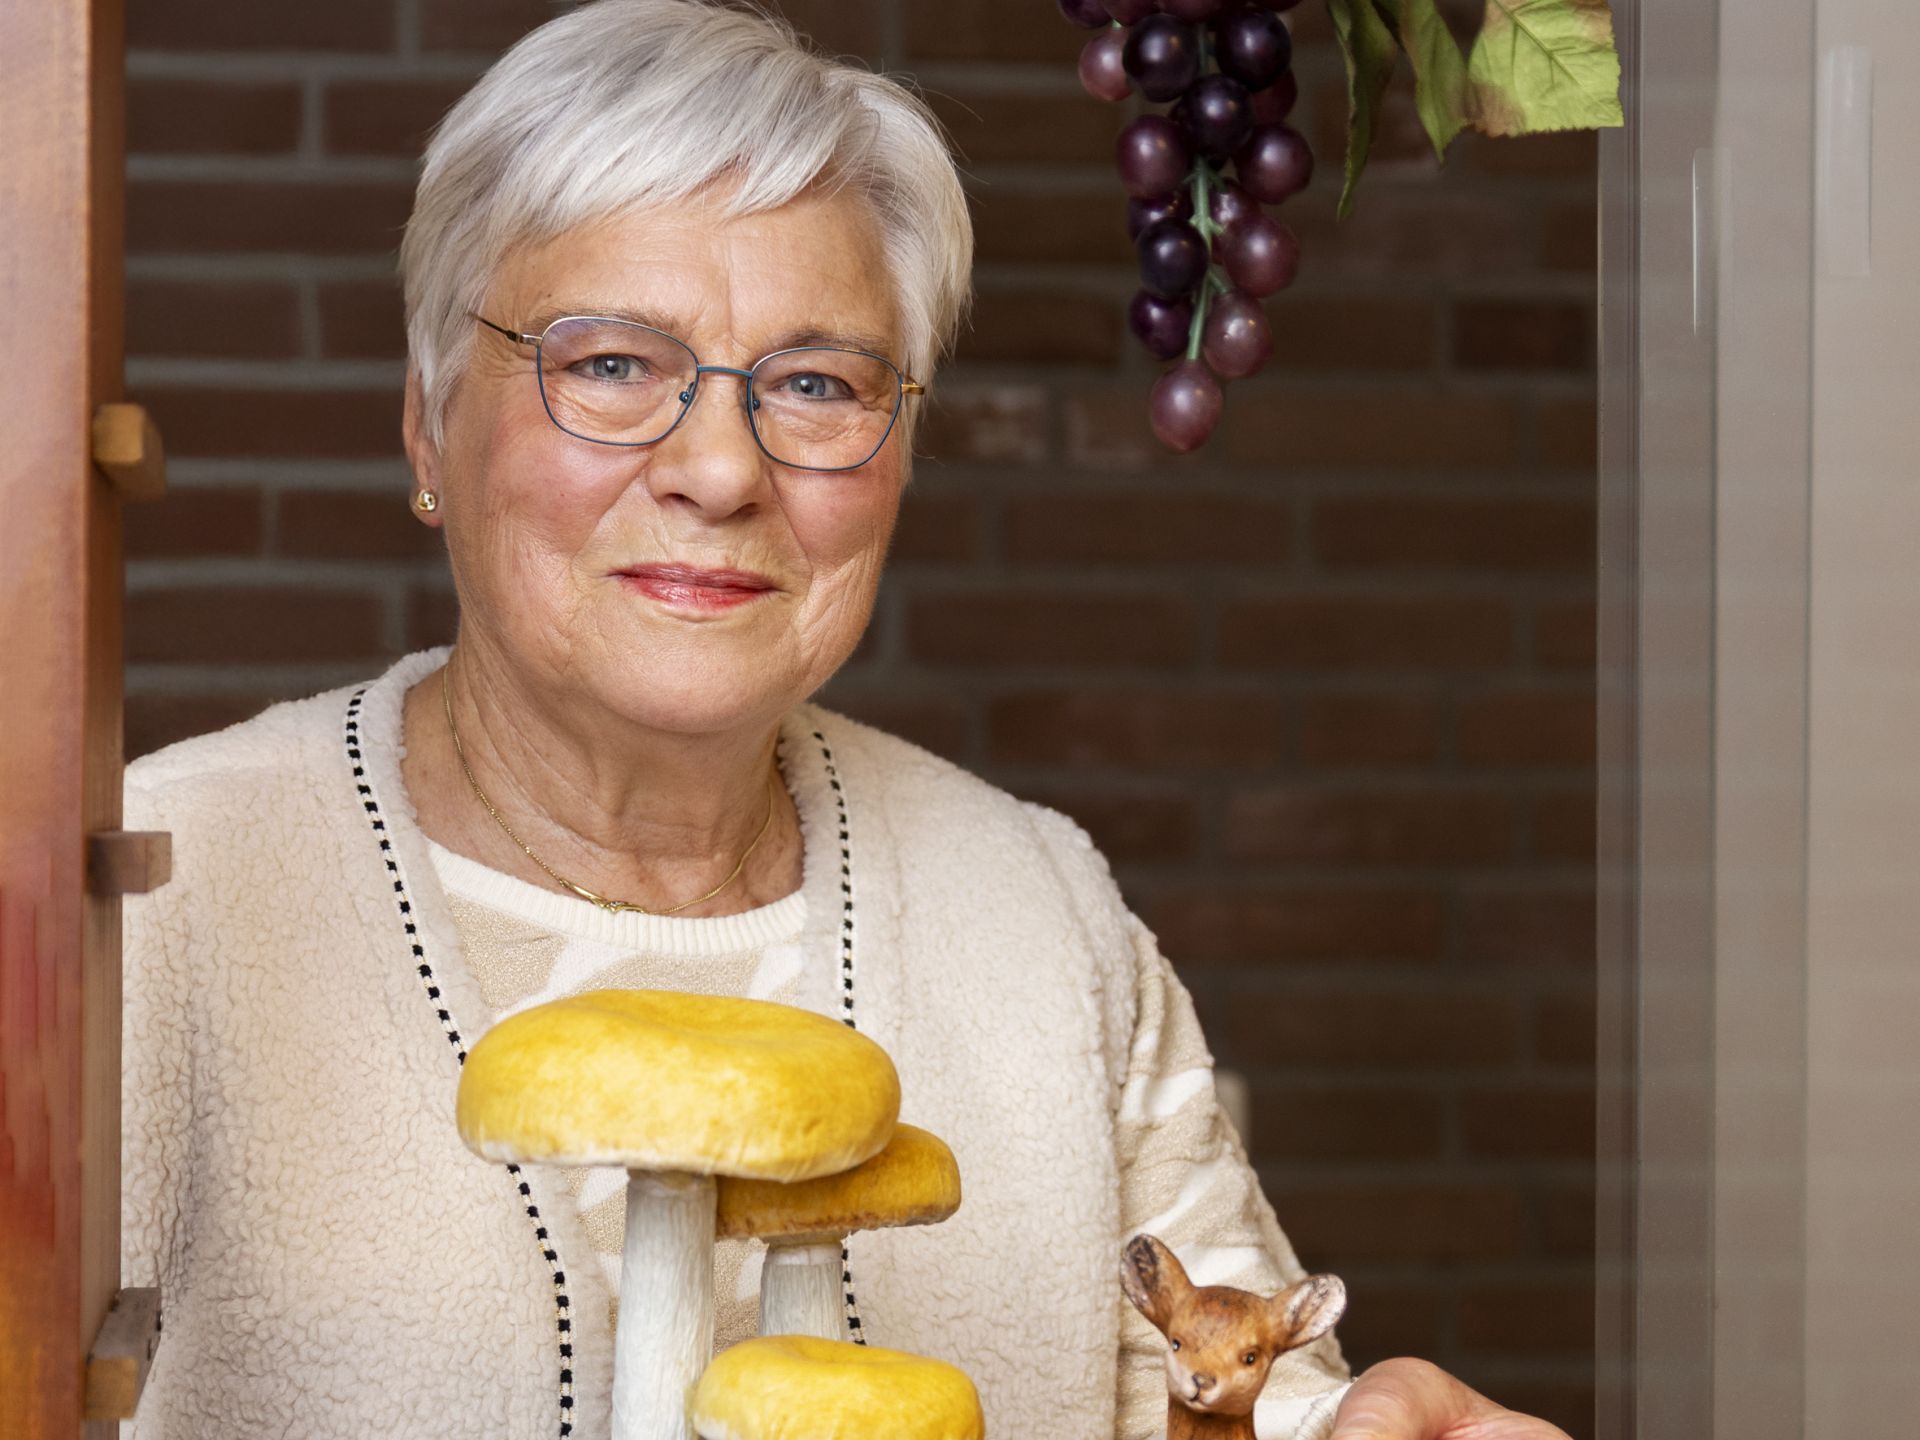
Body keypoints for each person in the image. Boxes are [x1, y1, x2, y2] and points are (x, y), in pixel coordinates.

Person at [119, 3, 1575, 1437]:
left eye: (814, 384)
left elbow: (1236, 1388)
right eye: (613, 363)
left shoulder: (1039, 910)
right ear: (429, 422)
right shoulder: (155, 893)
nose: (718, 470)